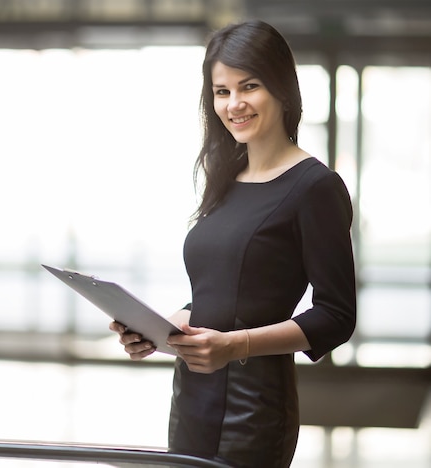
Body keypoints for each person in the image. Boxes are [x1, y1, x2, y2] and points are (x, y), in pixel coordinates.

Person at [109, 19, 356, 467]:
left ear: (282, 88)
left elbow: (336, 316)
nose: (234, 104)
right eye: (221, 92)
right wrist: (160, 328)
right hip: (192, 397)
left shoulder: (315, 186)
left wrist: (235, 345)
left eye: (249, 86)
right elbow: (222, 295)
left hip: (254, 407)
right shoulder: (225, 181)